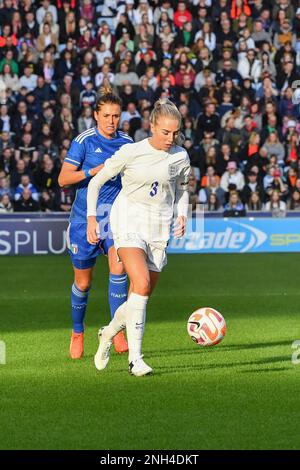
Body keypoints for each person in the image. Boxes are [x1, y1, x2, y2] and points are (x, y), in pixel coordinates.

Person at [86, 99, 190, 376]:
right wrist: (92, 217)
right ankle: (135, 360)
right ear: (152, 126)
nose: (171, 138)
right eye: (165, 132)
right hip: (128, 221)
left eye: (175, 133)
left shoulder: (181, 157)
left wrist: (182, 215)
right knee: (141, 282)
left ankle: (107, 333)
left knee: (138, 297)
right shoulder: (130, 151)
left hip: (158, 228)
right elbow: (96, 182)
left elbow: (182, 190)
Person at [58, 87, 133, 360]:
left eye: (116, 115)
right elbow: (63, 179)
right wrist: (93, 171)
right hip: (83, 221)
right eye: (107, 116)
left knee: (119, 268)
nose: (112, 121)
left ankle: (117, 329)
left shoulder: (127, 142)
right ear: (95, 115)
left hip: (115, 219)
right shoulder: (84, 141)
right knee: (84, 283)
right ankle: (78, 332)